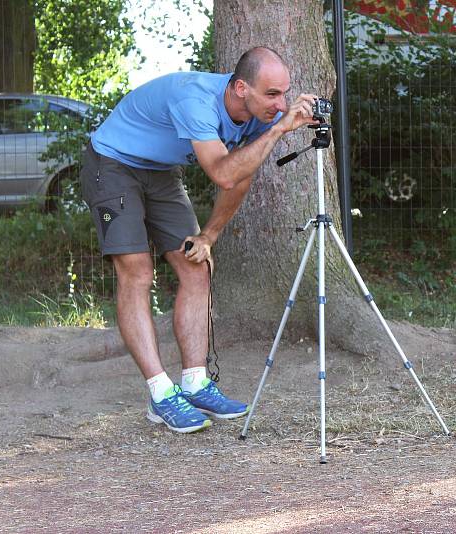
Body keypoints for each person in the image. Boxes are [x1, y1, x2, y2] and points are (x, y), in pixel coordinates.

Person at [80, 47, 319, 433]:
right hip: (113, 164)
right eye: (272, 94)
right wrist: (279, 129)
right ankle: (160, 394)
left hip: (159, 171)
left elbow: (241, 175)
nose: (282, 104)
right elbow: (224, 174)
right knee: (137, 272)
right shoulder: (197, 101)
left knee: (197, 265)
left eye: (285, 93)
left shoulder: (258, 116)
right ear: (241, 88)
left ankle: (194, 383)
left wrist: (209, 235)